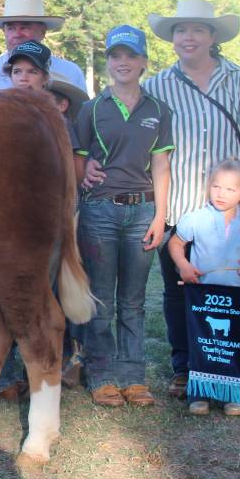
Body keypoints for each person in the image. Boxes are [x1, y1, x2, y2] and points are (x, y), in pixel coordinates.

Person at [87, 0, 240, 409]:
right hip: (180, 208)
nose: (188, 37)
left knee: (239, 291)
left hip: (232, 211)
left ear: (213, 36)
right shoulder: (157, 87)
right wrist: (89, 158)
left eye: (197, 29)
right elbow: (130, 135)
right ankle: (185, 370)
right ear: (172, 39)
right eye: (181, 31)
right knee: (181, 292)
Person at [72, 25, 174, 408]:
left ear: (144, 61)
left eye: (131, 55)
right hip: (99, 211)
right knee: (100, 298)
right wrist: (87, 170)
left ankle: (133, 376)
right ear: (108, 62)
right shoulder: (92, 108)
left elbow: (161, 165)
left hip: (142, 211)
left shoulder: (159, 110)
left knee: (133, 300)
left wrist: (160, 216)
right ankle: (101, 374)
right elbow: (78, 159)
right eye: (115, 56)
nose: (123, 62)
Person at [0, 39, 88, 399]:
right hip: (2, 225)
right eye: (18, 71)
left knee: (42, 297)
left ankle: (45, 369)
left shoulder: (58, 122)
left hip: (44, 224)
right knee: (2, 296)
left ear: (45, 79)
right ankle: (5, 374)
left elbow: (71, 176)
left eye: (32, 72)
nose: (24, 77)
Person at [167, 159, 240, 416]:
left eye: (230, 189)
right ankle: (199, 395)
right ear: (208, 187)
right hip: (203, 297)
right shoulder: (195, 218)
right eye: (216, 187)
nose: (221, 194)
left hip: (236, 299)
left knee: (231, 345)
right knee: (202, 343)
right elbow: (175, 243)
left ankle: (232, 396)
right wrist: (183, 265)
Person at [0, 0, 88, 93]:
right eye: (11, 28)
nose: (17, 34)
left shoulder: (70, 73)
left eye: (25, 27)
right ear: (4, 32)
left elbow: (78, 119)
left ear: (43, 31)